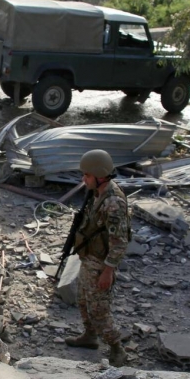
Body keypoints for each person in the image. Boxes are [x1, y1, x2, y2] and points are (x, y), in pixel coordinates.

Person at [64, 149, 129, 367]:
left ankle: (116, 347)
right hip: (89, 257)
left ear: (100, 176)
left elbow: (119, 240)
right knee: (83, 301)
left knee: (99, 310)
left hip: (101, 263)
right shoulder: (97, 193)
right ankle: (90, 336)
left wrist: (108, 270)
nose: (84, 179)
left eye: (87, 175)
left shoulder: (113, 202)